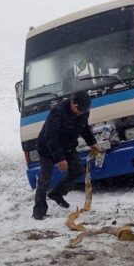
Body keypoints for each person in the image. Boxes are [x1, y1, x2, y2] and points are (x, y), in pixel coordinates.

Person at [32, 90, 100, 220]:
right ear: (73, 104)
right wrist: (60, 159)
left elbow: (84, 127)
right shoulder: (57, 112)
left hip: (67, 146)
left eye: (84, 111)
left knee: (78, 170)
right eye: (80, 110)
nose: (82, 113)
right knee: (45, 178)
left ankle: (57, 193)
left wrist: (92, 143)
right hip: (47, 147)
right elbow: (50, 137)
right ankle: (39, 212)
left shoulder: (83, 111)